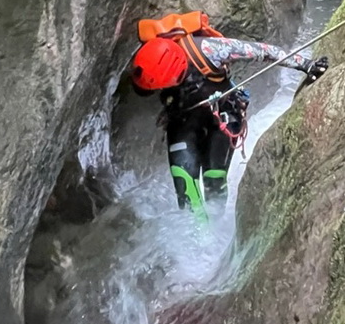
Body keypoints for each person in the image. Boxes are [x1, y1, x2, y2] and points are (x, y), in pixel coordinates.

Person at [130, 30, 329, 212]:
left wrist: (306, 65)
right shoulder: (148, 65)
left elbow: (264, 51)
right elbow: (140, 87)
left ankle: (215, 226)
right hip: (183, 118)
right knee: (185, 183)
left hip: (223, 114)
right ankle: (198, 237)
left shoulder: (210, 49)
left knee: (214, 179)